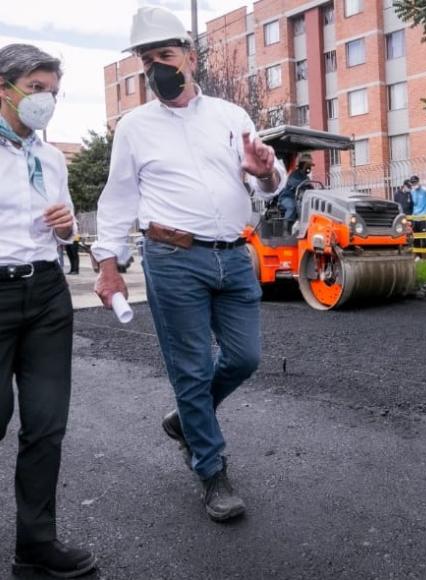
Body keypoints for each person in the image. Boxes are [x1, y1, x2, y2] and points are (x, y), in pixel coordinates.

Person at [92, 6, 287, 522]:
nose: (156, 66)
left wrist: (266, 173)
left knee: (244, 358)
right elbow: (116, 200)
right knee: (192, 369)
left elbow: (268, 180)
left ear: (190, 58)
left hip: (234, 255)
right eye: (146, 58)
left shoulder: (231, 116)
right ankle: (210, 468)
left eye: (166, 54)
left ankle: (185, 419)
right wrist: (108, 264)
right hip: (172, 257)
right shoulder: (133, 127)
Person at [0, 43, 97, 578]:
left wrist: (67, 229)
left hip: (47, 294)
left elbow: (63, 230)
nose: (46, 102)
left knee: (46, 424)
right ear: (4, 87)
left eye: (53, 93)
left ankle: (35, 547)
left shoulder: (51, 156)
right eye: (36, 89)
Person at [278, 152, 314, 222]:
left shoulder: (306, 177)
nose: (309, 168)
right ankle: (287, 228)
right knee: (292, 206)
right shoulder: (294, 174)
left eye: (310, 165)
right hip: (288, 197)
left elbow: (310, 187)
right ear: (302, 165)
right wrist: (305, 184)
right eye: (308, 165)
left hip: (300, 199)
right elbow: (294, 183)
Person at [409, 175, 426, 260]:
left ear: (418, 182)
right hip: (415, 217)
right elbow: (412, 205)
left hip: (424, 217)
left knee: (425, 237)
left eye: (415, 183)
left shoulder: (425, 190)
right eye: (412, 183)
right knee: (416, 237)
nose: (414, 185)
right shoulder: (412, 192)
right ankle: (418, 255)